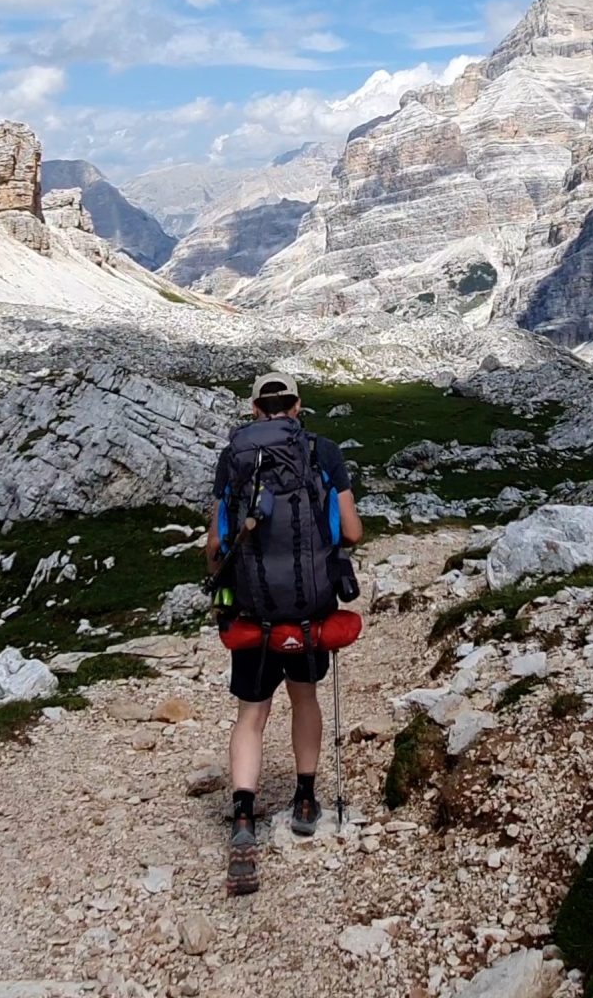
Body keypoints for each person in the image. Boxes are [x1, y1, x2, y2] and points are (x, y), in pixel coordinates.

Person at [206, 372, 360, 891]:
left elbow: (215, 540)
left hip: (253, 610)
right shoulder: (323, 451)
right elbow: (353, 530)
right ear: (298, 406)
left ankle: (244, 816)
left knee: (252, 713)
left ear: (254, 409)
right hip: (310, 607)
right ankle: (305, 797)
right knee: (304, 698)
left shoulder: (235, 456)